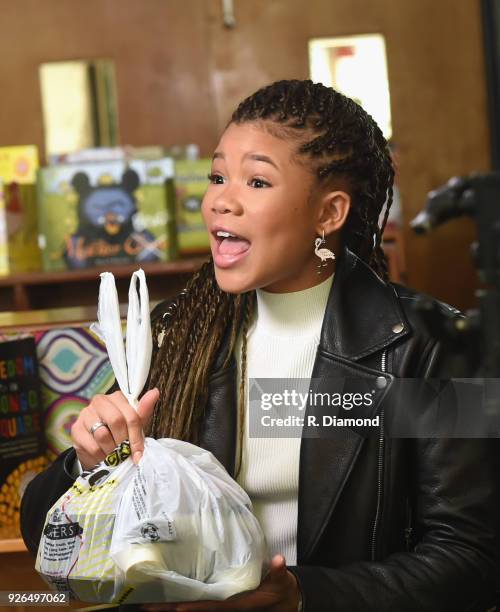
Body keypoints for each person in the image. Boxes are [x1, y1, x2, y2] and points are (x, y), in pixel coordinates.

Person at [21, 80, 497, 611]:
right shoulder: (177, 334)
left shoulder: (435, 349)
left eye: (257, 182)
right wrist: (87, 465)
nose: (222, 200)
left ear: (329, 213)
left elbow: (473, 557)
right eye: (218, 176)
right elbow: (44, 528)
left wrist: (300, 597)